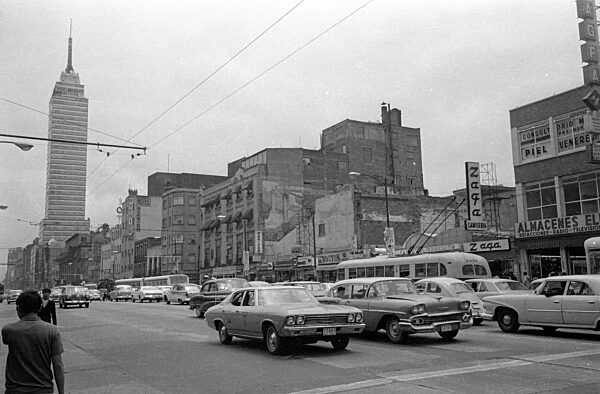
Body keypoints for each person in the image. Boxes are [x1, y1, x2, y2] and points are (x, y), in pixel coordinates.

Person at [1, 290, 65, 394]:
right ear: (39, 308)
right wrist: (61, 392)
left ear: (18, 308)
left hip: (15, 390)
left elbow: (6, 341)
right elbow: (58, 365)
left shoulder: (8, 330)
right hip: (43, 389)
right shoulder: (52, 331)